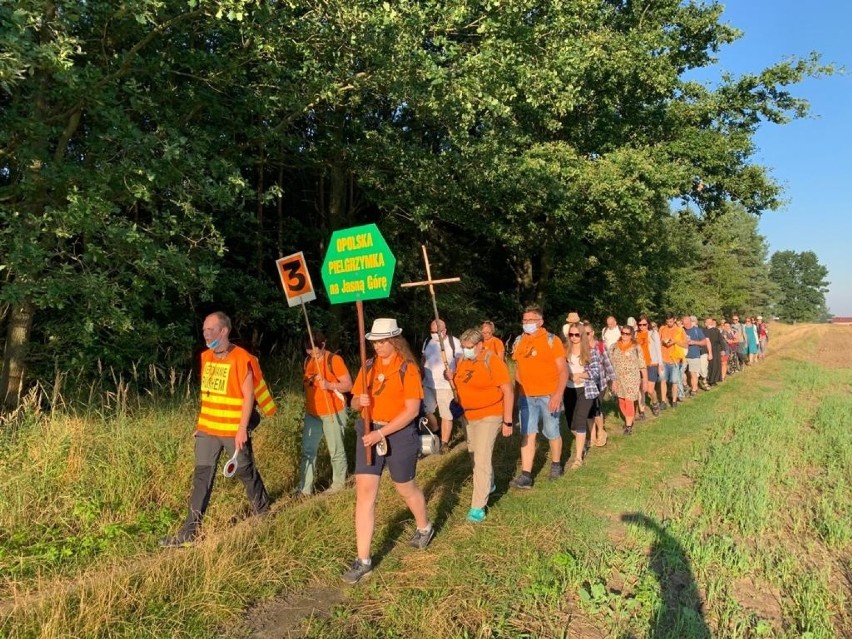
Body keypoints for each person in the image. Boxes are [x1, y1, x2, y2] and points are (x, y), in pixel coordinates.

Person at [160, 312, 275, 547]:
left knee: (245, 470)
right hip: (208, 430)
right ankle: (189, 532)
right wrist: (201, 425)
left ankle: (263, 512)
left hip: (233, 429)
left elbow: (248, 397)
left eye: (211, 329)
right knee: (202, 477)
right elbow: (209, 396)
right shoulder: (206, 357)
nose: (206, 333)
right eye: (204, 329)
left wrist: (242, 429)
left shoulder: (241, 358)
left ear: (224, 331)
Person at [343, 318, 433, 584]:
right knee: (365, 494)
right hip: (368, 432)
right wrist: (359, 401)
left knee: (405, 488)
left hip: (399, 434)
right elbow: (354, 403)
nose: (378, 347)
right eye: (375, 342)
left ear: (394, 340)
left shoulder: (408, 369)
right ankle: (364, 560)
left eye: (382, 342)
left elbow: (412, 411)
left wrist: (381, 433)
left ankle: (424, 526)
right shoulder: (368, 366)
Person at [452, 328, 514, 522]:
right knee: (473, 454)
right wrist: (450, 377)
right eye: (463, 347)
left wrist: (508, 420)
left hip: (490, 414)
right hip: (468, 416)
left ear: (479, 345)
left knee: (482, 457)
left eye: (469, 347)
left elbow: (508, 391)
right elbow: (461, 383)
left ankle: (478, 506)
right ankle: (490, 483)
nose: (466, 350)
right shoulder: (462, 361)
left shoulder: (492, 360)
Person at [509, 305, 568, 488]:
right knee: (528, 434)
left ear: (540, 322)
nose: (527, 324)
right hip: (526, 397)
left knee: (552, 431)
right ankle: (526, 475)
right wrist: (514, 397)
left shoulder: (552, 340)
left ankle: (556, 465)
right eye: (524, 320)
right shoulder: (519, 341)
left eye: (531, 321)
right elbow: (518, 370)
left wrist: (558, 395)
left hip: (548, 395)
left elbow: (563, 370)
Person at [295, 330, 353, 498]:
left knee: (336, 450)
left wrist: (329, 385)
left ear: (323, 344)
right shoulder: (307, 361)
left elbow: (348, 385)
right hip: (313, 414)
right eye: (308, 350)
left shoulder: (333, 360)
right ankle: (304, 489)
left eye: (315, 349)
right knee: (308, 450)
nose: (312, 353)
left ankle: (339, 485)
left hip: (333, 411)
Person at [564, 322, 613, 466]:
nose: (573, 338)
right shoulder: (564, 350)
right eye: (571, 335)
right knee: (571, 423)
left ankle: (578, 458)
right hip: (568, 389)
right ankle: (585, 440)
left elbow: (596, 371)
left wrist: (581, 375)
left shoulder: (591, 350)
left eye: (576, 335)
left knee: (580, 420)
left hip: (585, 389)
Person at [421, 319, 463, 453]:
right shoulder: (428, 342)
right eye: (431, 331)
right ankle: (436, 433)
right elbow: (423, 359)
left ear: (444, 331)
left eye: (436, 332)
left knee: (446, 415)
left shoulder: (454, 343)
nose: (433, 334)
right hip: (428, 383)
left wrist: (453, 374)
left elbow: (460, 363)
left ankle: (444, 443)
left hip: (445, 386)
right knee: (426, 412)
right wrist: (420, 375)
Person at [608, 325, 647, 435]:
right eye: (623, 333)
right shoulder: (614, 347)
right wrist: (611, 380)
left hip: (632, 379)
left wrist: (645, 380)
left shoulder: (636, 347)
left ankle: (628, 425)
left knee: (629, 400)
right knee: (621, 400)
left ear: (632, 335)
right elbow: (609, 364)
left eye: (627, 334)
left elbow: (642, 365)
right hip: (618, 379)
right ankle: (629, 417)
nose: (624, 335)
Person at [584, 322, 614, 447]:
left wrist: (613, 381)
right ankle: (592, 434)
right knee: (588, 409)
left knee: (596, 408)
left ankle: (601, 432)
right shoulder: (581, 347)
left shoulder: (600, 346)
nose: (585, 336)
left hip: (600, 382)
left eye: (587, 333)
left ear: (592, 333)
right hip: (586, 382)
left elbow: (608, 363)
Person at [635, 315, 663, 414]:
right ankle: (641, 411)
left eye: (644, 324)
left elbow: (658, 349)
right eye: (640, 325)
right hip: (640, 365)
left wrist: (660, 364)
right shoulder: (635, 335)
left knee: (650, 390)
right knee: (641, 388)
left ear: (648, 324)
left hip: (652, 364)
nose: (642, 326)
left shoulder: (653, 333)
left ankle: (655, 403)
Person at [659, 313, 687, 409]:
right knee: (663, 380)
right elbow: (658, 342)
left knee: (674, 381)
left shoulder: (680, 330)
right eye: (667, 321)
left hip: (675, 360)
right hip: (663, 359)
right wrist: (663, 341)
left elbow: (685, 345)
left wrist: (675, 342)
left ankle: (674, 401)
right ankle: (663, 401)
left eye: (671, 321)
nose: (669, 323)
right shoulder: (662, 329)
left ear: (674, 320)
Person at [683, 315, 712, 396]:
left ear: (690, 322)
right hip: (683, 355)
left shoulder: (697, 330)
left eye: (687, 324)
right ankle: (685, 386)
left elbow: (704, 342)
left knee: (693, 373)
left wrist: (694, 342)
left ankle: (694, 389)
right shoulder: (681, 330)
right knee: (681, 372)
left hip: (694, 355)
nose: (686, 325)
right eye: (684, 324)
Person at [703, 318, 725, 386]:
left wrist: (723, 349)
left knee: (715, 365)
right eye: (708, 322)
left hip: (716, 349)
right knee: (710, 365)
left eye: (710, 322)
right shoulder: (704, 331)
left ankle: (713, 380)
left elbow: (721, 340)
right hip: (707, 349)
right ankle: (710, 379)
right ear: (705, 323)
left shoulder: (716, 330)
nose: (709, 323)